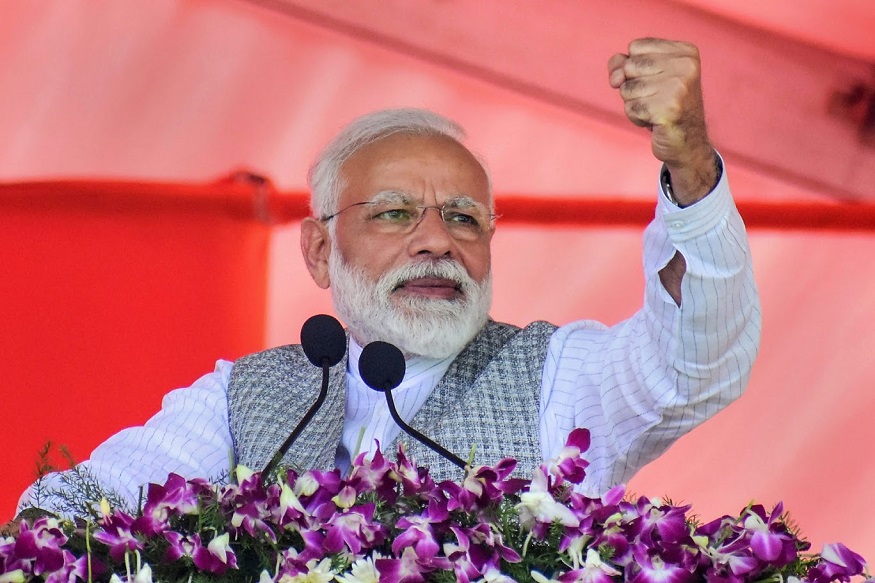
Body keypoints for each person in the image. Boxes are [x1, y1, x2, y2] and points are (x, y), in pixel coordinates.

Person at [18, 38, 760, 517]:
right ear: (319, 251)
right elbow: (77, 510)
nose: (436, 240)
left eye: (464, 218)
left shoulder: (558, 378)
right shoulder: (244, 396)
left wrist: (691, 165)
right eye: (396, 213)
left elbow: (693, 364)